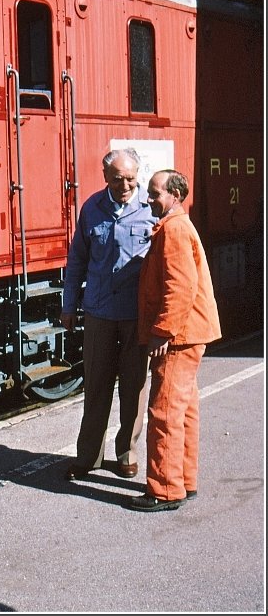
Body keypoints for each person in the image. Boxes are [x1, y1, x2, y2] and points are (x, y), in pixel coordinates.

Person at [61, 148, 155, 480]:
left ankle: (127, 451)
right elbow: (76, 261)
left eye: (131, 178)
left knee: (134, 387)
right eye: (118, 179)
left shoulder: (152, 210)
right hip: (99, 311)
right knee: (96, 387)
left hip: (135, 315)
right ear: (106, 178)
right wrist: (68, 305)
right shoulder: (91, 208)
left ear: (138, 175)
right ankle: (88, 457)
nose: (125, 185)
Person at [130, 170, 221, 512]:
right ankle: (184, 480)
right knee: (184, 410)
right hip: (191, 331)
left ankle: (165, 491)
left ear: (175, 195)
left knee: (164, 412)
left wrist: (161, 332)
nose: (148, 199)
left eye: (154, 194)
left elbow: (179, 288)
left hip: (179, 336)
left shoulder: (174, 230)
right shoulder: (177, 226)